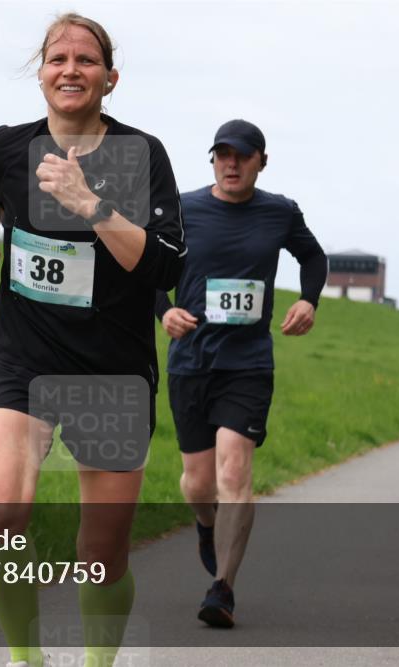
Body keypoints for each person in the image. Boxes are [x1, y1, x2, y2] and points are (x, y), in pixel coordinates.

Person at [0, 13, 186, 667]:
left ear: (109, 78)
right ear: (42, 73)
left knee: (102, 552)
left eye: (85, 60)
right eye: (58, 58)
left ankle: (95, 661)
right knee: (1, 516)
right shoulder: (10, 144)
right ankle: (26, 658)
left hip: (111, 368)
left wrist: (90, 203)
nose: (70, 70)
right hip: (18, 354)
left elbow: (164, 265)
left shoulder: (143, 155)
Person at [155, 119, 327, 628]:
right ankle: (206, 526)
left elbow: (313, 257)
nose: (231, 164)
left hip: (248, 364)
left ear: (261, 161)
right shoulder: (183, 209)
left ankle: (222, 588)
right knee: (197, 482)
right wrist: (163, 310)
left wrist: (309, 300)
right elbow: (144, 268)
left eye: (242, 156)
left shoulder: (279, 212)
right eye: (222, 155)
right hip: (191, 362)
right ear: (212, 160)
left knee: (234, 471)